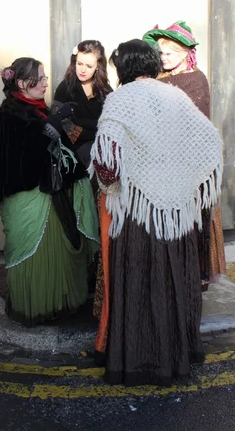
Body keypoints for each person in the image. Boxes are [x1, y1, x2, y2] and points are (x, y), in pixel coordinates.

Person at [90, 39, 223, 387]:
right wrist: (185, 188)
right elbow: (210, 143)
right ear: (151, 63)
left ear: (122, 68)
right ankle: (177, 358)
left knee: (138, 286)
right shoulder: (176, 96)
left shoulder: (119, 99)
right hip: (176, 219)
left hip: (136, 216)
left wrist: (111, 189)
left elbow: (106, 164)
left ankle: (137, 362)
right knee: (172, 284)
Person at [0, 57, 99, 326]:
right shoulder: (8, 115)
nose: (46, 82)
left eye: (45, 77)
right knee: (34, 253)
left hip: (50, 195)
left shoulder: (37, 109)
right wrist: (53, 126)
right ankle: (35, 306)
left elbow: (56, 146)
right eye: (41, 78)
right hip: (28, 197)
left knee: (57, 252)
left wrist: (61, 123)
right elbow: (24, 157)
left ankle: (58, 303)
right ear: (22, 83)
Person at [143, 21, 226, 285]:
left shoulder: (196, 79)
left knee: (193, 219)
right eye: (162, 53)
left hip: (192, 162)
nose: (164, 58)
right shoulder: (156, 78)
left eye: (170, 53)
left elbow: (192, 119)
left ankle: (196, 274)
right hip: (162, 162)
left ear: (184, 54)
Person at [54, 40, 112, 168]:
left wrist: (79, 121)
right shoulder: (64, 88)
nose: (83, 70)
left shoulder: (106, 91)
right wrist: (96, 128)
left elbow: (110, 125)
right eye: (79, 64)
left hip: (102, 152)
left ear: (98, 66)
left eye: (89, 66)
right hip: (72, 156)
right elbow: (62, 125)